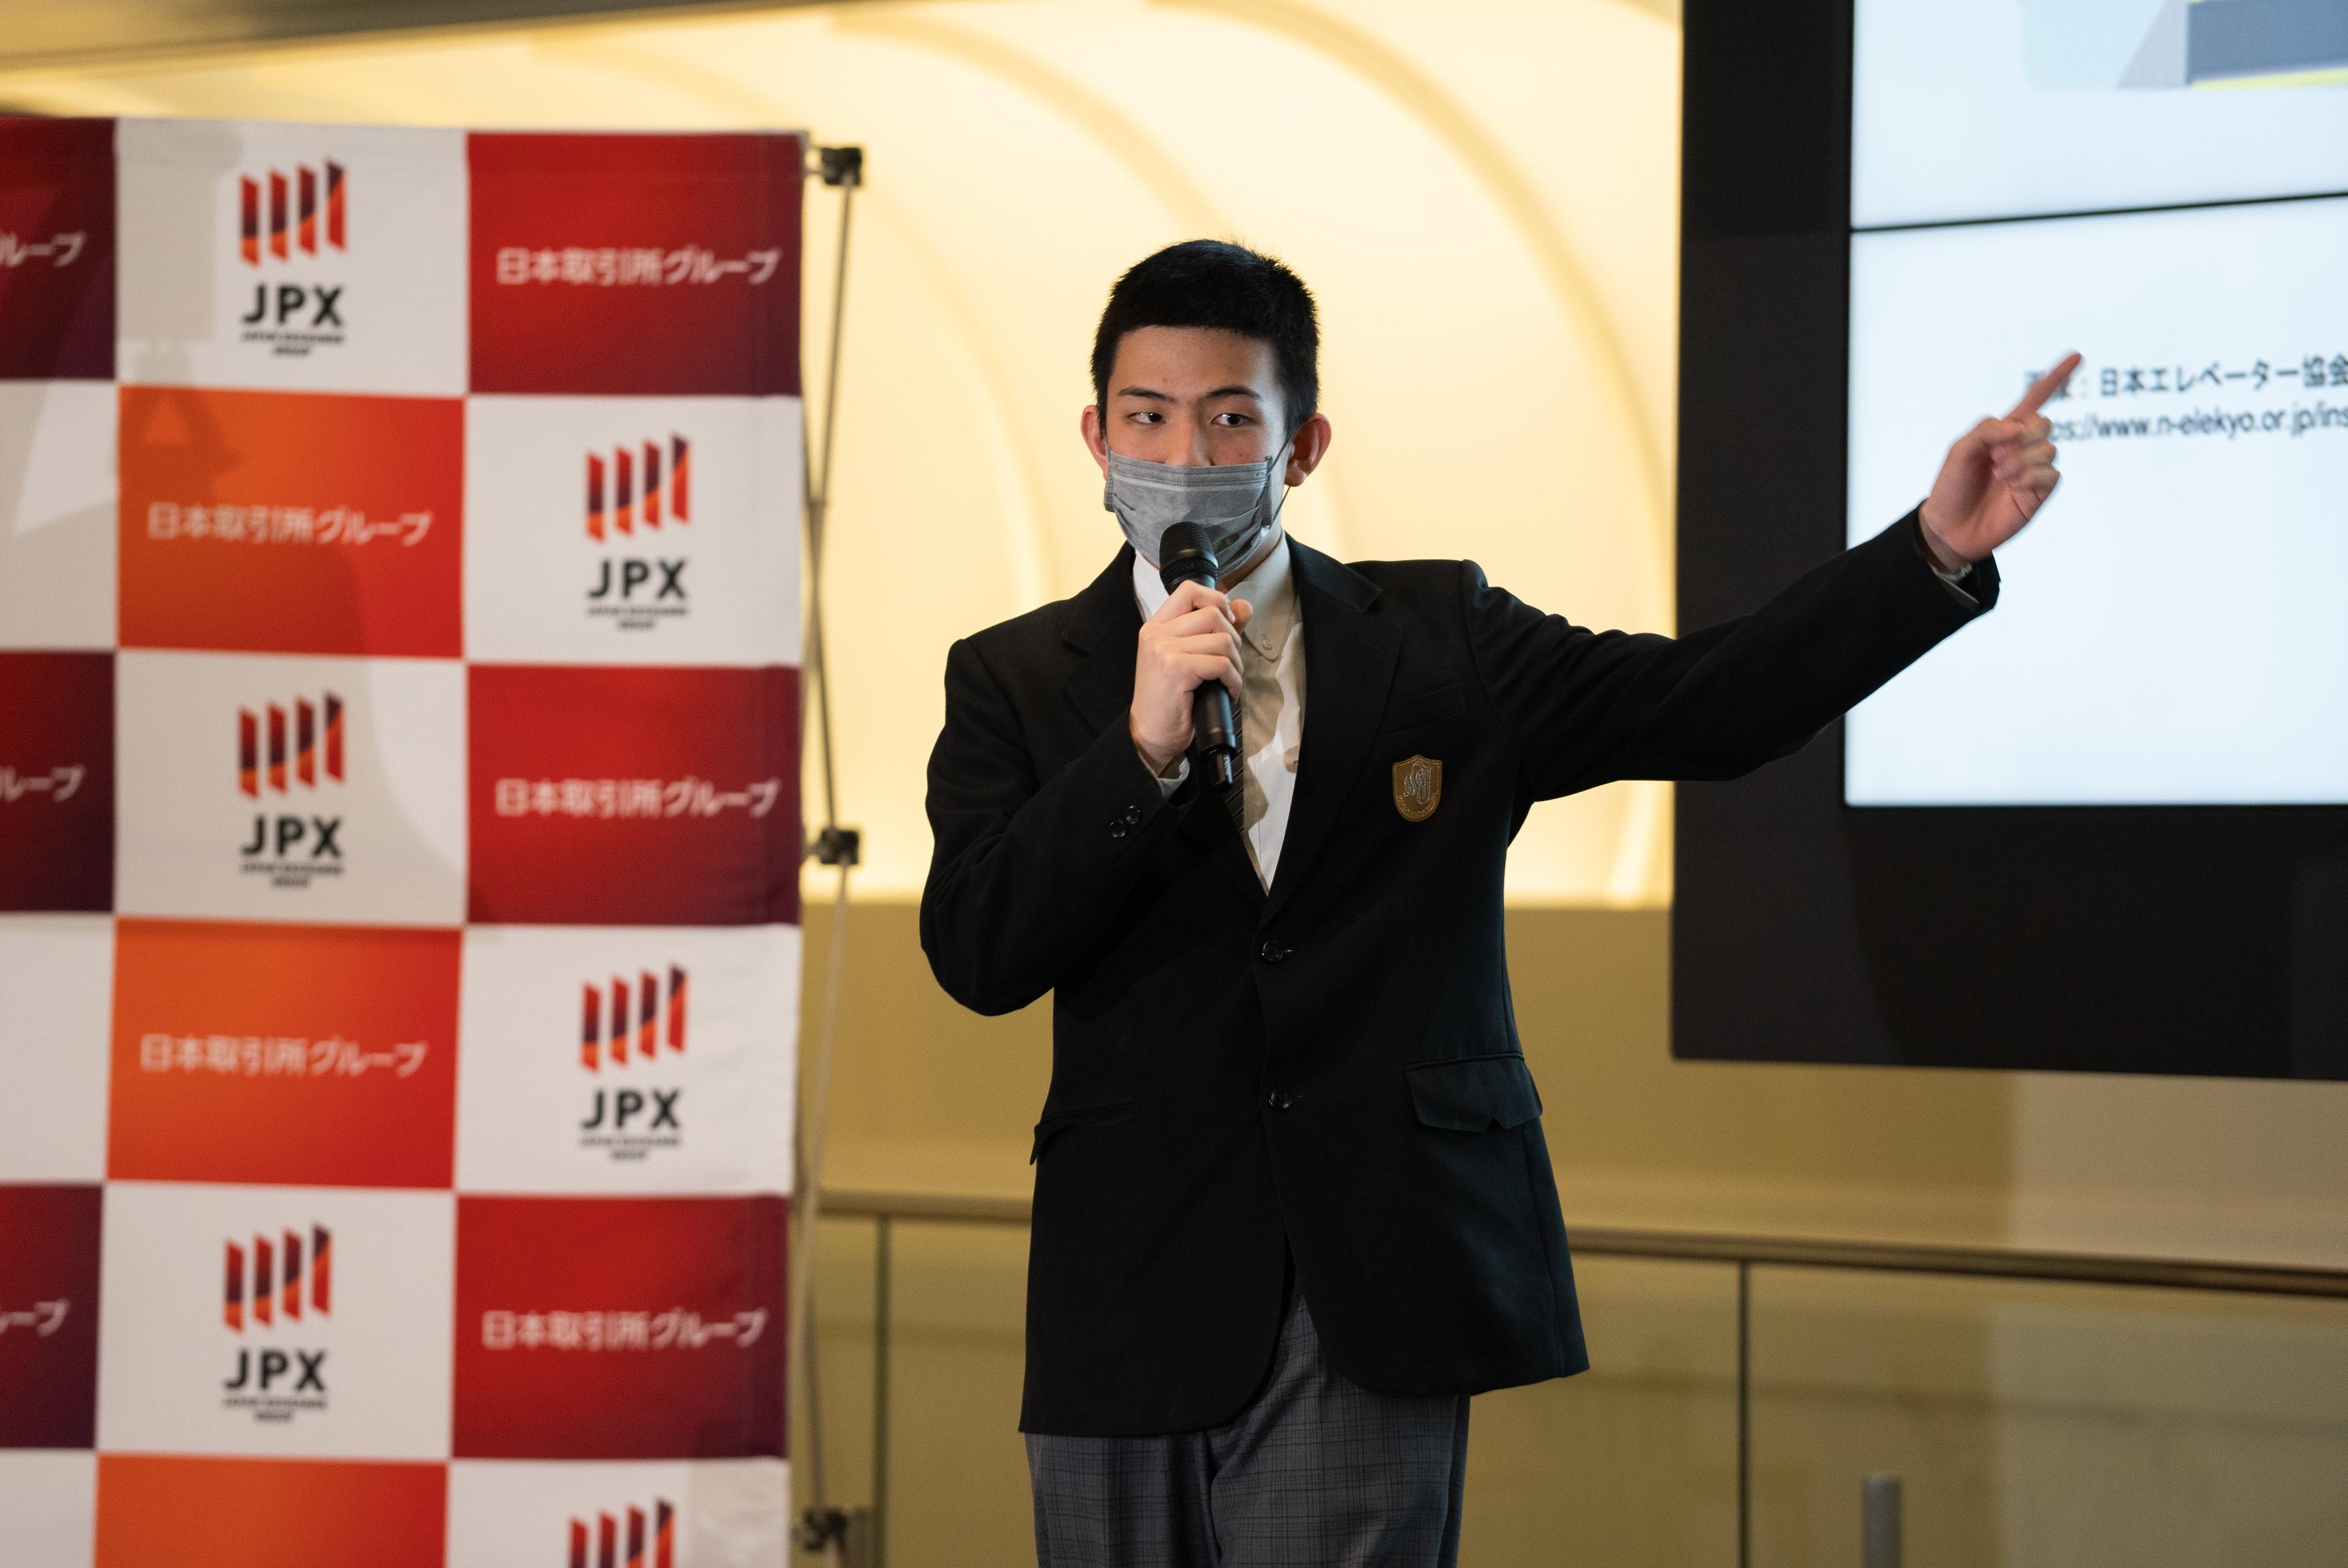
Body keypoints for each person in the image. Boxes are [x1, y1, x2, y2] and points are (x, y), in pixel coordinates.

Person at [920, 240, 2073, 1567]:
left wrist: (1929, 553)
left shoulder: (1440, 637)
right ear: (1096, 436)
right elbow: (980, 948)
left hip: (1372, 1282)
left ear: (1303, 447)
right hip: (1127, 1288)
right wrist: (1139, 754)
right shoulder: (1014, 677)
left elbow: (1711, 704)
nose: (1187, 452)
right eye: (1149, 417)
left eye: (1232, 417)